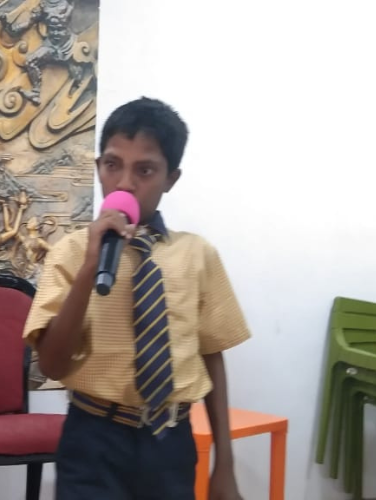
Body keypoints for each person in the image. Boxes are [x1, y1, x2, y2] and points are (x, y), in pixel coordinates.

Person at [23, 96, 250, 499]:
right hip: (93, 440)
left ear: (170, 178)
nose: (125, 183)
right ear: (98, 168)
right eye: (113, 165)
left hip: (170, 442)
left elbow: (211, 355)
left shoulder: (197, 255)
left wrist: (225, 464)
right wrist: (90, 267)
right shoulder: (71, 253)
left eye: (144, 170)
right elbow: (52, 364)